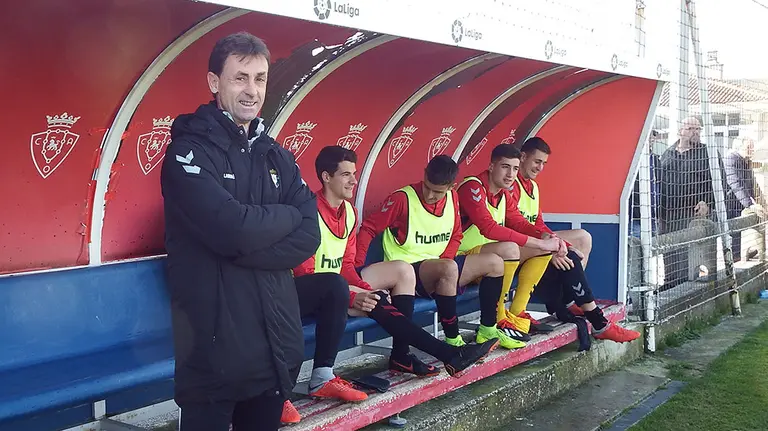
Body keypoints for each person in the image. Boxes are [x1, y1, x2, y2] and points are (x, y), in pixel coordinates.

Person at [160, 32, 321, 431]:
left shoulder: (276, 154)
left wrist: (243, 242)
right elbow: (233, 231)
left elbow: (309, 235)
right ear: (215, 83)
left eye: (260, 78)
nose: (252, 90)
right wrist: (281, 217)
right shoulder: (188, 152)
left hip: (273, 353)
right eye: (240, 78)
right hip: (213, 357)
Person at [282, 147, 499, 424]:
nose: (353, 181)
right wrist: (352, 296)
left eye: (355, 174)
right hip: (301, 294)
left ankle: (333, 375)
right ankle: (448, 354)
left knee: (374, 296)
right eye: (346, 175)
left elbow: (346, 265)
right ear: (326, 177)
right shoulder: (307, 212)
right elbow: (305, 271)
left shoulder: (348, 212)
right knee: (345, 289)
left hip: (334, 291)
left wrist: (361, 287)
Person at [356, 155, 524, 351]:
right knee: (448, 267)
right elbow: (368, 228)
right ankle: (453, 340)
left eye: (437, 192)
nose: (430, 195)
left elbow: (456, 235)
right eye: (427, 187)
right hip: (407, 274)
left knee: (495, 263)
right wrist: (359, 269)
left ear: (452, 186)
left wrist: (446, 263)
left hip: (440, 267)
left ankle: (488, 329)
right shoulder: (402, 198)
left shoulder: (453, 197)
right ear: (424, 176)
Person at [514, 137, 640, 343]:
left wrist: (558, 243)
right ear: (523, 157)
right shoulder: (511, 184)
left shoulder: (532, 187)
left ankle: (569, 300)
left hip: (531, 242)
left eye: (544, 163)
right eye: (537, 161)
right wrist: (549, 248)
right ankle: (598, 322)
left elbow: (538, 225)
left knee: (582, 238)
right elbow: (509, 227)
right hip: (512, 247)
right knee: (569, 254)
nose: (540, 167)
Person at [456, 144, 562, 341]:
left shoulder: (504, 193)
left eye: (514, 168)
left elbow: (519, 223)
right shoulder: (472, 187)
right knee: (511, 248)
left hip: (490, 261)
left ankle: (516, 314)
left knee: (540, 250)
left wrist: (547, 237)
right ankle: (499, 316)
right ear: (491, 166)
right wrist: (538, 242)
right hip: (461, 261)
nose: (510, 174)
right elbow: (487, 227)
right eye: (505, 167)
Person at [657, 116, 723, 289]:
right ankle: (670, 284)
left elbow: (719, 182)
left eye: (698, 129)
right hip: (668, 213)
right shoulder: (668, 153)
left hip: (692, 213)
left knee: (688, 253)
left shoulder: (708, 153)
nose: (695, 133)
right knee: (670, 251)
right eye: (691, 129)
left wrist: (707, 202)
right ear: (681, 131)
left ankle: (686, 286)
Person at [724, 136, 763, 261]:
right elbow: (735, 184)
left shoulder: (745, 161)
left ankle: (740, 255)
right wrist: (750, 204)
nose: (752, 150)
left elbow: (752, 186)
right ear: (739, 146)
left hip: (739, 202)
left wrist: (761, 203)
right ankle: (734, 259)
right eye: (748, 147)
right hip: (730, 202)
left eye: (752, 147)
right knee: (733, 231)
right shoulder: (731, 159)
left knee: (739, 230)